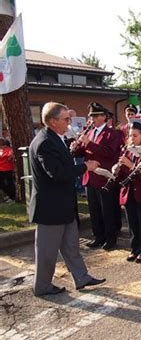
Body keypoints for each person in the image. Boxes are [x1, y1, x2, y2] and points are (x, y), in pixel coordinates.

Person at [29, 102, 105, 296]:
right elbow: (58, 173)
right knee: (47, 252)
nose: (70, 122)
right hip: (50, 208)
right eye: (66, 119)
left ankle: (81, 277)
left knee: (71, 245)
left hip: (63, 205)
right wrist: (85, 167)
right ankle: (42, 286)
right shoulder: (45, 142)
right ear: (53, 122)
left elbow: (61, 163)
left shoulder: (55, 138)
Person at [71, 102, 122, 250]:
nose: (92, 119)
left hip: (103, 177)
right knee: (94, 211)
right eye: (91, 116)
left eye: (95, 116)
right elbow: (84, 152)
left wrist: (89, 143)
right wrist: (76, 148)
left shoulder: (113, 133)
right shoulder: (90, 132)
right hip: (90, 177)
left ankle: (110, 239)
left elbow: (109, 152)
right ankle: (98, 237)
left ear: (103, 117)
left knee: (107, 210)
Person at [116, 122, 141, 263]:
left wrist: (130, 165)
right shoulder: (126, 150)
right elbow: (122, 174)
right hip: (128, 191)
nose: (132, 138)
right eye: (130, 135)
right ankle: (134, 248)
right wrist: (117, 169)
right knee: (132, 222)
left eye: (135, 135)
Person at [0, 137, 15, 202]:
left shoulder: (9, 150)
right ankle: (8, 196)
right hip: (1, 170)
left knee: (9, 183)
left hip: (8, 169)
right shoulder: (0, 150)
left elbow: (10, 158)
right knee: (1, 184)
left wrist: (10, 157)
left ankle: (12, 197)